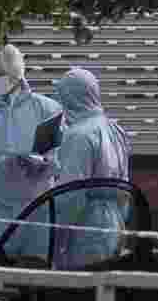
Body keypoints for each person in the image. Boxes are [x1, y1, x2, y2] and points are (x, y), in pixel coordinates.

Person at [0, 43, 62, 250]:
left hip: (38, 207)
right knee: (0, 271)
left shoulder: (47, 109)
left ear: (15, 73)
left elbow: (63, 156)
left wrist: (44, 163)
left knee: (36, 270)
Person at [51, 68, 133, 269]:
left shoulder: (78, 135)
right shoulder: (115, 129)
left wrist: (56, 236)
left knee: (81, 293)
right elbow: (125, 187)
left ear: (70, 99)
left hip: (86, 227)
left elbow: (70, 196)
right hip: (115, 223)